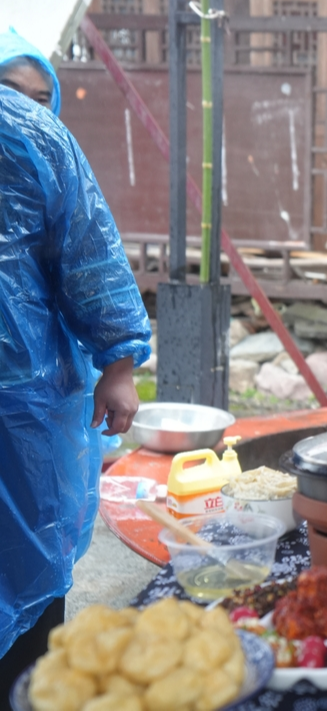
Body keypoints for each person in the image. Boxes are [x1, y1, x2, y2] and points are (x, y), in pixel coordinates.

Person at [0, 28, 151, 679]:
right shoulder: (37, 140)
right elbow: (91, 249)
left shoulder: (39, 144)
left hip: (26, 409)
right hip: (25, 404)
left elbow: (86, 254)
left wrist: (119, 362)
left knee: (29, 576)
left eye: (41, 97)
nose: (28, 109)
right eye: (12, 92)